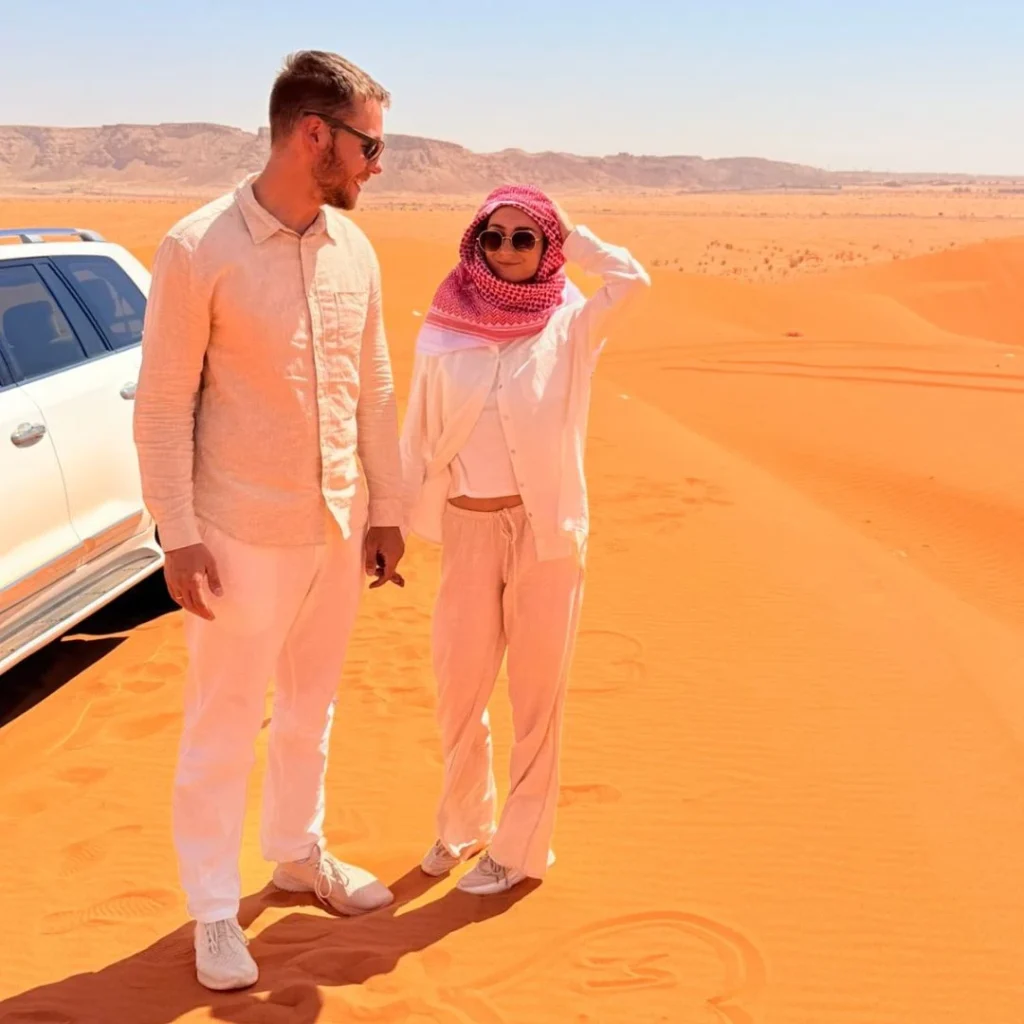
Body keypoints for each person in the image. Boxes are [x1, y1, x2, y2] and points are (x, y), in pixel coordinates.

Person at [133, 50, 406, 991]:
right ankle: (214, 910)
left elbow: (375, 386)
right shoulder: (197, 247)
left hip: (339, 525)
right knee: (221, 724)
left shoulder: (355, 251)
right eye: (370, 145)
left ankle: (296, 853)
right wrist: (178, 532)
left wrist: (388, 506)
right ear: (313, 135)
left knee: (310, 708)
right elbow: (163, 405)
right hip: (238, 534)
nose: (378, 165)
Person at [400, 184, 650, 896]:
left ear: (549, 246)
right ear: (475, 244)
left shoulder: (571, 323)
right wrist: (389, 520)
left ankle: (519, 851)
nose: (506, 250)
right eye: (493, 237)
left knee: (536, 700)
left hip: (545, 537)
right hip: (467, 529)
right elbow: (417, 429)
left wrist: (576, 233)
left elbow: (634, 281)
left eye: (525, 237)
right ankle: (462, 825)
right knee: (459, 689)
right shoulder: (444, 327)